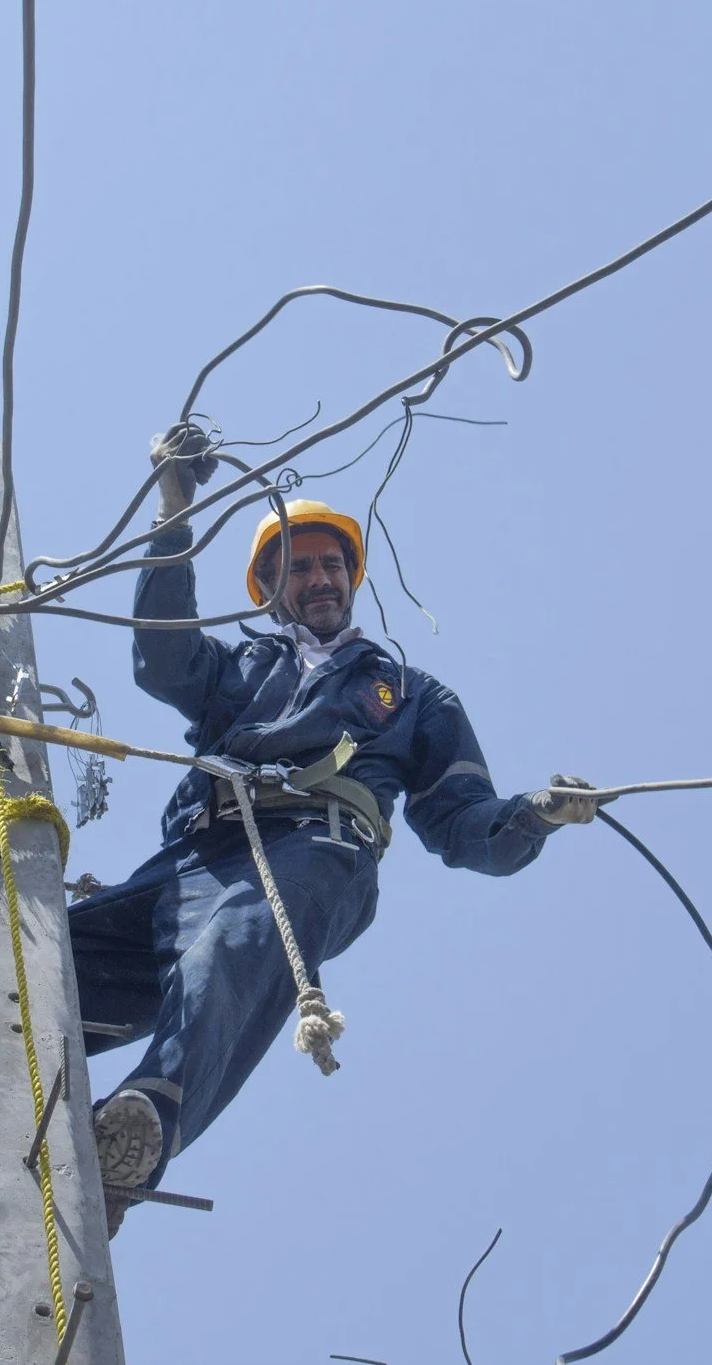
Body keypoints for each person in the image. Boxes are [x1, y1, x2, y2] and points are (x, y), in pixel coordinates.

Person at [73, 425, 602, 1227]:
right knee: (49, 956)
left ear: (351, 577)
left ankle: (145, 1118)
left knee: (236, 944)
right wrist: (174, 509)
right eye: (299, 566)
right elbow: (161, 660)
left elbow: (463, 827)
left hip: (314, 853)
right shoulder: (242, 667)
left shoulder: (411, 694)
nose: (319, 578)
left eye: (332, 564)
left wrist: (533, 815)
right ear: (268, 584)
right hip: (191, 859)